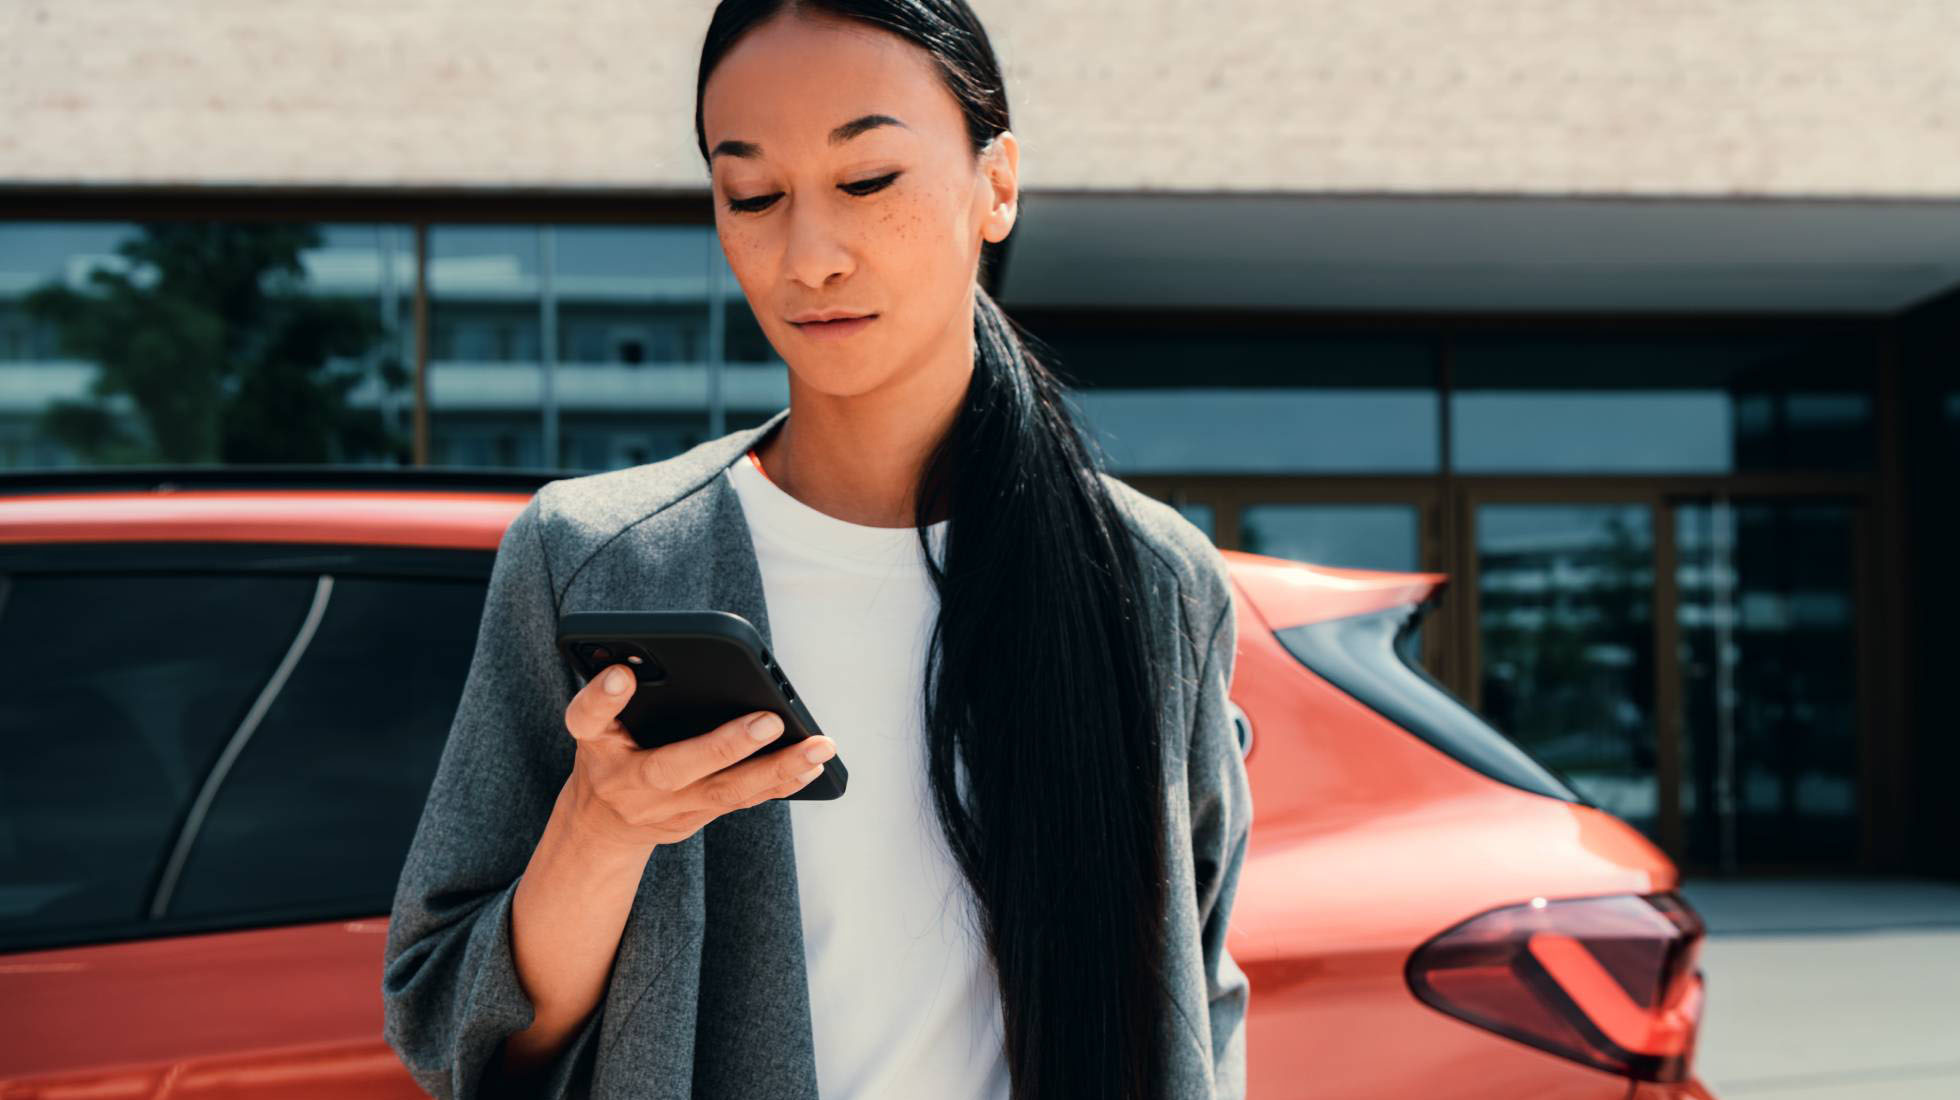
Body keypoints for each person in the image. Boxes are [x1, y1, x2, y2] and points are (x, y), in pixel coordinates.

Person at [380, 2, 1252, 1098]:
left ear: (997, 185)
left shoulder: (1148, 584)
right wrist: (600, 830)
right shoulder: (601, 559)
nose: (809, 256)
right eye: (753, 195)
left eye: (867, 180)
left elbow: (1195, 1009)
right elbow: (450, 1023)